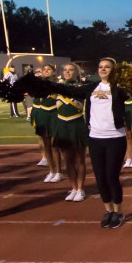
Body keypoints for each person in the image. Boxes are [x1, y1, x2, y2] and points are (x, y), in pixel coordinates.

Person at [41, 58, 131, 228]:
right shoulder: (91, 87)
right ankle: (108, 210)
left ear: (114, 70)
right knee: (99, 177)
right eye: (100, 67)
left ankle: (118, 212)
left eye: (107, 67)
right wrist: (48, 84)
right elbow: (67, 89)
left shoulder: (120, 89)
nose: (103, 69)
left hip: (115, 138)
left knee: (111, 176)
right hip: (95, 138)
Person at [51, 63, 89, 201]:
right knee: (68, 160)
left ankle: (81, 189)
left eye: (71, 70)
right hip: (62, 126)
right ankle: (73, 188)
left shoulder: (82, 88)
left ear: (77, 73)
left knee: (79, 159)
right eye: (65, 70)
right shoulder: (57, 88)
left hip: (77, 125)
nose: (67, 72)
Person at [30, 65, 64, 183]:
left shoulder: (58, 85)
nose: (46, 71)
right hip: (43, 116)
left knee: (55, 147)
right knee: (47, 146)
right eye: (44, 70)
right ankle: (51, 171)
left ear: (54, 72)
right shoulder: (39, 86)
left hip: (54, 115)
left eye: (48, 69)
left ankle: (59, 172)